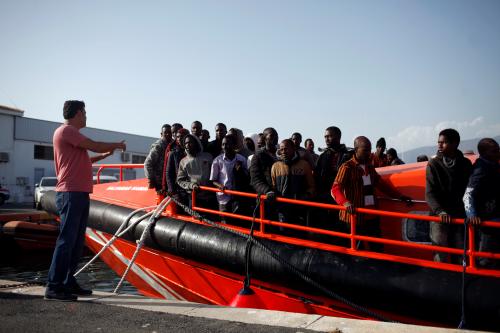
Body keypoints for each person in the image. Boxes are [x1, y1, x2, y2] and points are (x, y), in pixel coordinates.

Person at [46, 100, 126, 301]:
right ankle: (54, 286)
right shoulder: (67, 131)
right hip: (70, 193)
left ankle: (67, 282)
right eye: (85, 112)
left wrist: (105, 155)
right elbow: (94, 145)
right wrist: (116, 144)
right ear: (78, 113)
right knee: (66, 241)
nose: (87, 116)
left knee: (75, 241)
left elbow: (85, 159)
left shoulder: (70, 136)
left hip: (78, 193)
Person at [331, 136, 412, 251]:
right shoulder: (347, 167)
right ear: (356, 149)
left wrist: (399, 196)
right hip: (354, 217)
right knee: (355, 249)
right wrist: (345, 203)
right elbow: (335, 189)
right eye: (365, 150)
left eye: (369, 149)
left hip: (371, 215)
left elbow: (380, 184)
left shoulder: (369, 166)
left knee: (377, 247)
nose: (369, 153)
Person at [426, 128, 472, 263]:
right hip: (440, 218)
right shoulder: (433, 164)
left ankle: (462, 281)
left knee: (461, 253)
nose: (439, 145)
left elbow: (470, 190)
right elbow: (430, 192)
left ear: (455, 144)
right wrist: (439, 211)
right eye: (438, 142)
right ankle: (441, 281)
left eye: (443, 142)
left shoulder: (465, 164)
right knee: (441, 255)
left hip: (460, 215)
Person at [463, 138, 500, 267]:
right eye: (495, 151)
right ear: (484, 153)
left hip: (494, 216)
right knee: (487, 258)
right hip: (488, 221)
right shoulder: (480, 169)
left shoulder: (493, 165)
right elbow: (468, 195)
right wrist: (472, 215)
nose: (498, 153)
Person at [271, 139, 315, 225]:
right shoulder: (275, 166)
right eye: (281, 149)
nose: (283, 152)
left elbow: (312, 186)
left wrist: (306, 196)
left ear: (294, 149)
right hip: (282, 208)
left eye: (286, 149)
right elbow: (273, 186)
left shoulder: (304, 165)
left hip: (300, 208)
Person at [210, 134, 249, 223]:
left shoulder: (242, 159)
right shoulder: (217, 160)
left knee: (238, 223)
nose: (225, 147)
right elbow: (213, 180)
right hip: (224, 197)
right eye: (223, 144)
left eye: (227, 144)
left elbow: (247, 176)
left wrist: (240, 170)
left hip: (238, 197)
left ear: (234, 145)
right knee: (225, 223)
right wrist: (220, 186)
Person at [177, 134, 215, 210]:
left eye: (190, 142)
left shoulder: (208, 157)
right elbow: (180, 180)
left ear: (196, 143)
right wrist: (191, 185)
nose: (188, 145)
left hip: (210, 196)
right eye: (186, 143)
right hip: (194, 197)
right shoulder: (183, 161)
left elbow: (215, 175)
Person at [250, 127, 279, 199]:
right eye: (272, 136)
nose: (275, 138)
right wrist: (267, 190)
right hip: (267, 196)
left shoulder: (281, 154)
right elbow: (255, 179)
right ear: (265, 138)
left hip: (281, 195)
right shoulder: (258, 156)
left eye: (277, 135)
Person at [144, 124, 172, 196]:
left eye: (169, 132)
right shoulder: (158, 146)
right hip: (160, 183)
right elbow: (148, 163)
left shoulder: (173, 144)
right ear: (161, 134)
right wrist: (151, 179)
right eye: (165, 132)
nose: (168, 134)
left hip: (169, 181)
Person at [166, 128, 190, 207]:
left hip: (191, 188)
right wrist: (172, 190)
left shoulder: (194, 152)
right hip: (179, 189)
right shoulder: (173, 153)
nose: (179, 139)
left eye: (182, 136)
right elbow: (169, 173)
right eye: (178, 137)